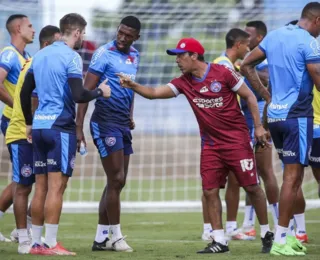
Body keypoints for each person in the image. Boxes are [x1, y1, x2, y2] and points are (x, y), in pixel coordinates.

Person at [118, 37, 274, 254]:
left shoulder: (223, 72)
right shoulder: (183, 82)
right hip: (210, 145)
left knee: (252, 187)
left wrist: (258, 127)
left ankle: (267, 233)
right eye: (176, 57)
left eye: (180, 56)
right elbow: (154, 94)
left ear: (194, 56)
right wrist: (133, 85)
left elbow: (248, 96)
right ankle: (219, 240)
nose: (177, 61)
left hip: (237, 142)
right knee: (209, 191)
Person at [20, 13, 111, 255]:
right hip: (59, 128)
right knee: (57, 188)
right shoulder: (71, 57)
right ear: (78, 32)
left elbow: (24, 93)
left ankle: (36, 243)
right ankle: (51, 243)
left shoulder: (39, 55)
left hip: (39, 128)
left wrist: (29, 123)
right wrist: (101, 92)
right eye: (84, 33)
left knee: (40, 188)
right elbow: (79, 95)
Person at [241, 2, 320, 256]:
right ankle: (281, 239)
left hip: (275, 116)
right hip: (297, 116)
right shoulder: (308, 42)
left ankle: (290, 236)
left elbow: (245, 65)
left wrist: (266, 94)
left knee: (291, 176)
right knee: (292, 178)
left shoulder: (274, 35)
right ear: (317, 20)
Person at [76, 15, 141, 252]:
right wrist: (79, 125)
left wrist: (130, 114)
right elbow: (86, 90)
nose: (122, 38)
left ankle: (101, 238)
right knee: (116, 179)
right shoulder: (104, 53)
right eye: (120, 32)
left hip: (122, 123)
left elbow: (130, 89)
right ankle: (116, 236)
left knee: (117, 182)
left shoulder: (135, 56)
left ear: (136, 37)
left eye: (128, 35)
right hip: (104, 122)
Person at [5, 25, 61, 254]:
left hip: (34, 132)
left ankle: (29, 230)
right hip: (21, 134)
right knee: (23, 187)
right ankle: (23, 237)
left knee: (43, 186)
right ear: (47, 46)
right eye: (57, 43)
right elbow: (32, 99)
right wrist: (33, 125)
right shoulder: (35, 64)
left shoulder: (39, 63)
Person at [204, 28, 254, 241]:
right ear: (238, 46)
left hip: (232, 131)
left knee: (235, 179)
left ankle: (232, 227)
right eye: (247, 45)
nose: (249, 49)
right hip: (217, 132)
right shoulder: (221, 65)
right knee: (211, 183)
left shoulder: (231, 66)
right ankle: (208, 228)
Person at [0, 14, 34, 242]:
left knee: (25, 177)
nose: (33, 29)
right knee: (24, 178)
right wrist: (18, 106)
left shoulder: (27, 56)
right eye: (30, 25)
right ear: (19, 28)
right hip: (13, 122)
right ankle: (22, 232)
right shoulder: (9, 54)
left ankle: (22, 227)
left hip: (24, 122)